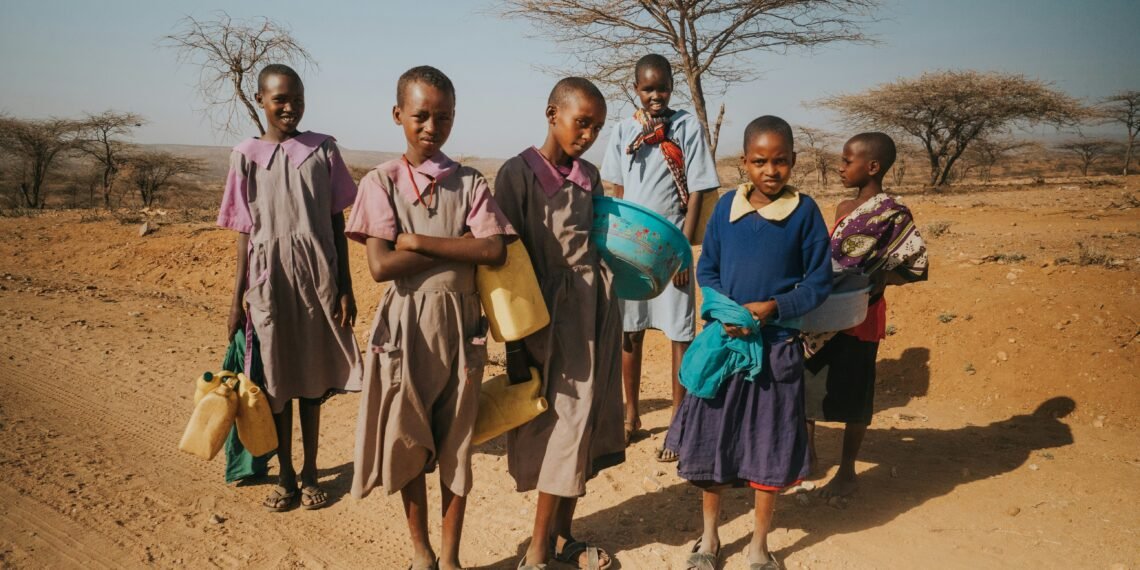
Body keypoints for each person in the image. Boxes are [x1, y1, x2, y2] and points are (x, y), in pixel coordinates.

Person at [348, 66, 514, 570]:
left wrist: (418, 241)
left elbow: (494, 250)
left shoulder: (469, 181)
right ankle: (421, 554)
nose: (431, 126)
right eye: (420, 115)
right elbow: (380, 266)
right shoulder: (380, 182)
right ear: (398, 115)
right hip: (405, 330)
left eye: (443, 117)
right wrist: (460, 249)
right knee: (408, 440)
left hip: (462, 330)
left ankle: (451, 558)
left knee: (456, 445)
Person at [666, 116, 831, 570]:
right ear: (744, 163)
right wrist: (727, 312)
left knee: (769, 446)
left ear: (794, 161)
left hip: (776, 348)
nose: (771, 171)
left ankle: (759, 545)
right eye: (760, 161)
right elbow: (708, 270)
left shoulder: (805, 213)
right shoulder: (725, 209)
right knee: (712, 443)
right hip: (724, 345)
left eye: (780, 161)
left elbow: (818, 283)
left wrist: (772, 309)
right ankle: (709, 539)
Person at [217, 64, 363, 512]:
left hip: (317, 277)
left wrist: (345, 286)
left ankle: (312, 472)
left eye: (297, 98)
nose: (290, 107)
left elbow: (337, 222)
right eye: (280, 98)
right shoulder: (245, 155)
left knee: (312, 379)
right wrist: (236, 297)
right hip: (269, 282)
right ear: (260, 99)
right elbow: (244, 231)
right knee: (277, 381)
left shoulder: (323, 150)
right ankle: (285, 475)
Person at [492, 77, 624, 570]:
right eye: (581, 122)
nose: (588, 134)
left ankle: (563, 534)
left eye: (596, 127)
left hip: (596, 313)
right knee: (560, 427)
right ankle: (537, 549)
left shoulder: (589, 175)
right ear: (552, 114)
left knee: (585, 421)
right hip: (545, 319)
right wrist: (515, 344)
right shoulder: (516, 174)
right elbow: (504, 261)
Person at [600, 54, 720, 461]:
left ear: (672, 85)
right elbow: (615, 189)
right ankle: (630, 416)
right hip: (631, 249)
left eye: (662, 87)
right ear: (636, 89)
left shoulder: (686, 127)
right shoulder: (622, 130)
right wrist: (615, 249)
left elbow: (699, 190)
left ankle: (678, 420)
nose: (656, 96)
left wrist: (684, 255)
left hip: (673, 249)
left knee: (679, 334)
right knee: (629, 332)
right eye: (647, 89)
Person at [804, 132, 929, 499]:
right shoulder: (844, 208)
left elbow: (916, 266)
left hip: (862, 314)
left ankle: (846, 470)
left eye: (847, 161)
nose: (840, 167)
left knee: (856, 396)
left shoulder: (893, 213)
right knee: (807, 385)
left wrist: (879, 278)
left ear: (872, 166)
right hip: (823, 312)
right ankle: (806, 457)